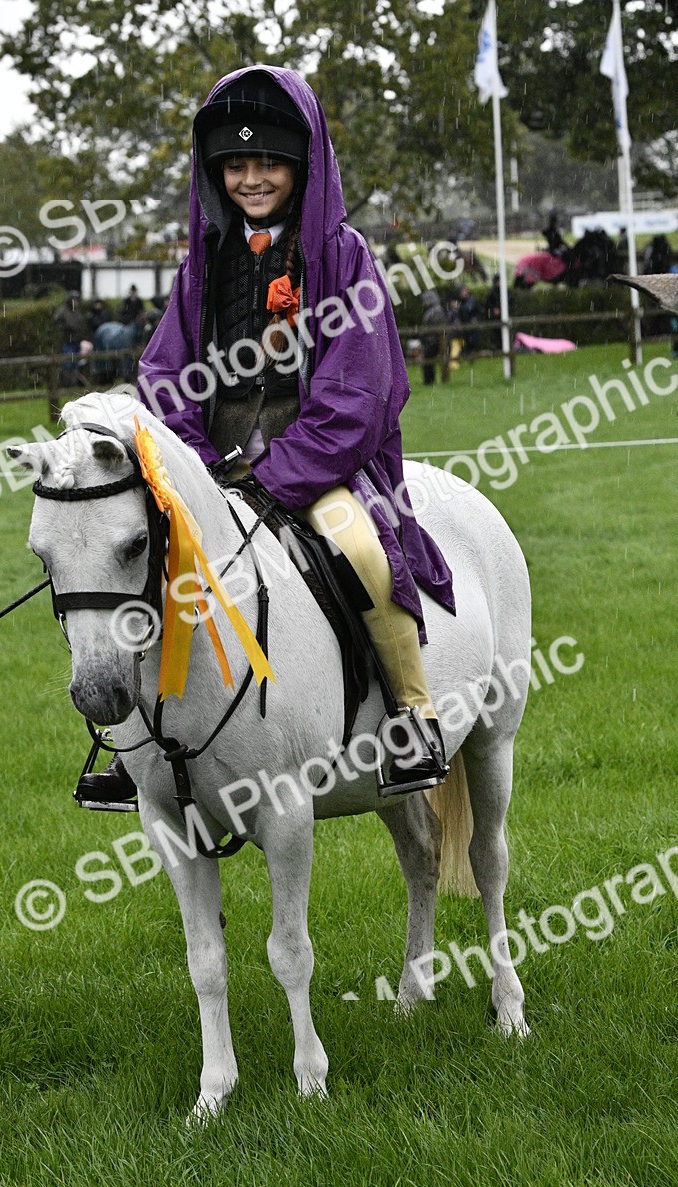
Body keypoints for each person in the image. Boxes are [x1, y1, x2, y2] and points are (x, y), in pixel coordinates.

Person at [76, 66, 455, 806]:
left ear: (302, 166)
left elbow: (359, 388)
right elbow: (164, 374)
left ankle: (414, 716)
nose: (252, 179)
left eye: (270, 163)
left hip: (316, 463)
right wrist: (194, 461)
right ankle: (129, 746)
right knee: (131, 559)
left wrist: (279, 473)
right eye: (237, 164)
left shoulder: (344, 257)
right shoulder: (202, 266)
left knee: (362, 551)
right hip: (210, 466)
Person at [53, 291, 88, 387]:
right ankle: (66, 384)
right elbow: (57, 323)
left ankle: (73, 384)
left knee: (75, 363)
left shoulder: (77, 312)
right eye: (74, 300)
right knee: (68, 363)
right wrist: (67, 329)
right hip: (68, 341)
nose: (76, 302)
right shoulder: (63, 311)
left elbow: (81, 326)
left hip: (76, 341)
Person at [420, 289, 446, 385]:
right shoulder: (432, 310)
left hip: (432, 340)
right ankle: (429, 381)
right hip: (430, 340)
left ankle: (429, 381)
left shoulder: (436, 311)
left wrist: (427, 336)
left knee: (428, 361)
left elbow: (434, 327)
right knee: (427, 362)